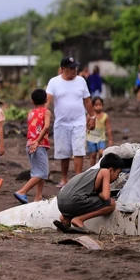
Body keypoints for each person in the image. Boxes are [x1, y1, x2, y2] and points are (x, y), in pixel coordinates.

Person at [46, 56, 96, 188]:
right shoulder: (54, 82)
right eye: (71, 68)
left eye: (75, 68)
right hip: (61, 123)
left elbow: (87, 100)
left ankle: (78, 178)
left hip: (79, 122)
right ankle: (64, 179)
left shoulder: (81, 81)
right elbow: (48, 99)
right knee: (64, 152)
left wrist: (92, 117)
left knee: (79, 150)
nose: (74, 70)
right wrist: (42, 114)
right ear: (63, 69)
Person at [53, 153, 124, 233]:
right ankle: (79, 220)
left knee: (83, 200)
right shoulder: (105, 172)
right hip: (74, 201)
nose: (117, 178)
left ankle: (65, 219)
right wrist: (99, 194)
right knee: (111, 204)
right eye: (118, 173)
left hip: (61, 202)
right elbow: (106, 196)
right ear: (111, 170)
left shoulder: (89, 173)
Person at [14, 89, 52, 204]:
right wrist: (38, 141)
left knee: (38, 171)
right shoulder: (46, 112)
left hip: (30, 144)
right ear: (46, 99)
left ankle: (38, 197)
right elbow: (46, 127)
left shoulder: (30, 113)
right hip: (37, 144)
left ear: (32, 101)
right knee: (42, 173)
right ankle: (22, 191)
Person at [86, 97, 113, 167]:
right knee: (93, 154)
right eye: (96, 105)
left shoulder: (105, 116)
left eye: (100, 105)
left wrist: (110, 140)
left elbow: (109, 128)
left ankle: (99, 166)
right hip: (91, 138)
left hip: (101, 138)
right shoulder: (90, 116)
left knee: (101, 152)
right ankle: (92, 169)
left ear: (103, 106)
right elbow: (86, 126)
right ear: (92, 106)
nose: (98, 107)